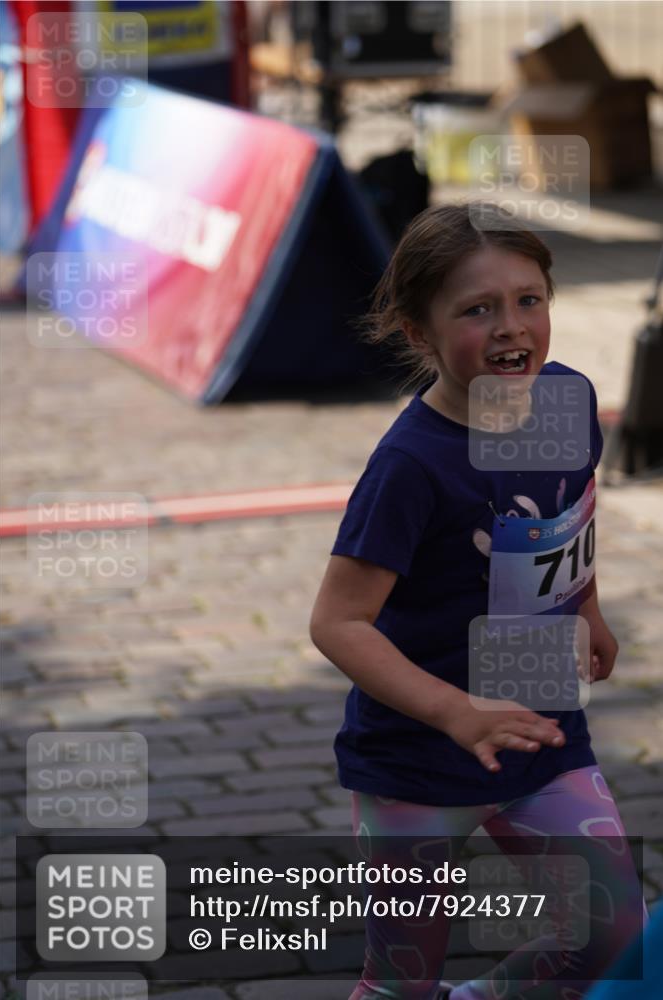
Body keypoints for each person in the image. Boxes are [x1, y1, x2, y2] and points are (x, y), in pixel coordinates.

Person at [309, 203, 648, 1000]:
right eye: (476, 309)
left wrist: (587, 608)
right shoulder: (411, 466)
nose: (511, 327)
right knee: (401, 983)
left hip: (540, 731)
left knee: (611, 931)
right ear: (419, 331)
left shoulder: (565, 402)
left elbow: (570, 504)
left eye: (529, 299)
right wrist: (456, 712)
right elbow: (337, 621)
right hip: (416, 759)